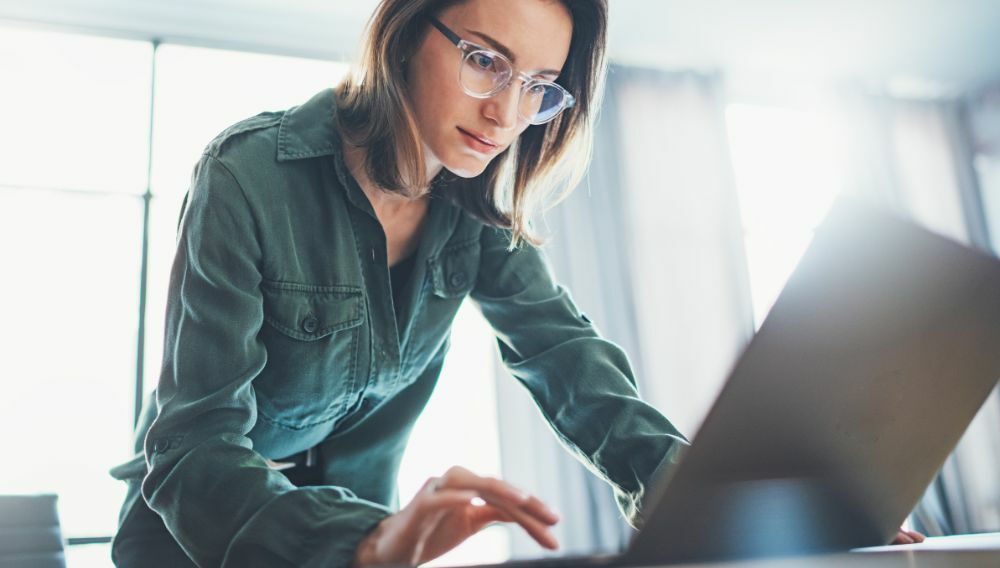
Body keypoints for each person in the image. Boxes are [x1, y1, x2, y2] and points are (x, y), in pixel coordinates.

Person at [108, 0, 923, 565]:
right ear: (403, 31)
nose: (505, 114)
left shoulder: (474, 218)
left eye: (537, 87)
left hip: (367, 547)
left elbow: (572, 365)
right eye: (484, 62)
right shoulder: (249, 176)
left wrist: (733, 501)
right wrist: (352, 545)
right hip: (195, 544)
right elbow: (189, 446)